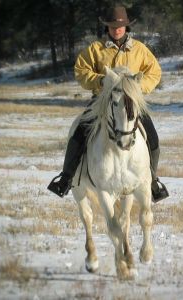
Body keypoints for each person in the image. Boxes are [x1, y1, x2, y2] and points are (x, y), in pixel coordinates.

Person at [48, 5, 169, 202]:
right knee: (79, 133)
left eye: (120, 26)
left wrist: (138, 88)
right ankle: (67, 178)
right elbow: (81, 71)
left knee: (152, 138)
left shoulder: (140, 49)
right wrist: (100, 81)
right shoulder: (95, 49)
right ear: (107, 28)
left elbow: (154, 72)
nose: (116, 29)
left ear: (126, 26)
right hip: (101, 101)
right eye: (112, 26)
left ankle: (153, 181)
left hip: (130, 102)